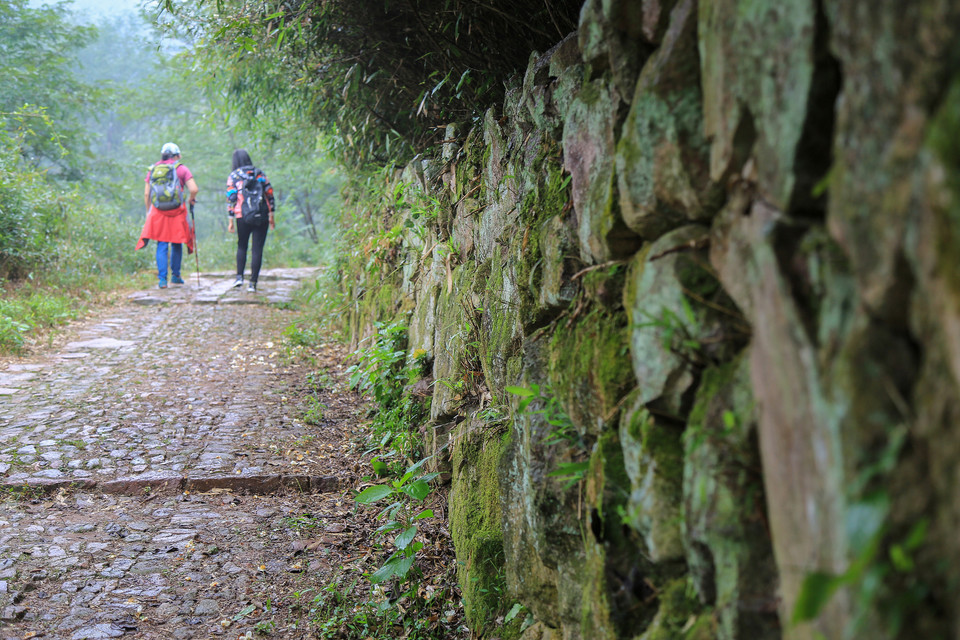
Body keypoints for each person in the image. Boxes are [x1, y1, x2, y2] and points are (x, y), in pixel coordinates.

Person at [136, 143, 199, 288]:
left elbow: (147, 194)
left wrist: (148, 211)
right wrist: (190, 199)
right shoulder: (181, 169)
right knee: (177, 242)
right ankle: (176, 276)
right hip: (177, 211)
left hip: (159, 212)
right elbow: (194, 189)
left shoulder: (152, 170)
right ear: (177, 155)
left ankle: (162, 279)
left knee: (162, 243)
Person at [226, 149, 275, 292]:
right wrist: (272, 215)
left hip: (242, 215)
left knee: (242, 246)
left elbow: (231, 198)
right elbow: (270, 194)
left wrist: (231, 219)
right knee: (257, 249)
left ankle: (239, 277)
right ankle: (253, 283)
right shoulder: (259, 173)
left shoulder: (234, 176)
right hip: (262, 214)